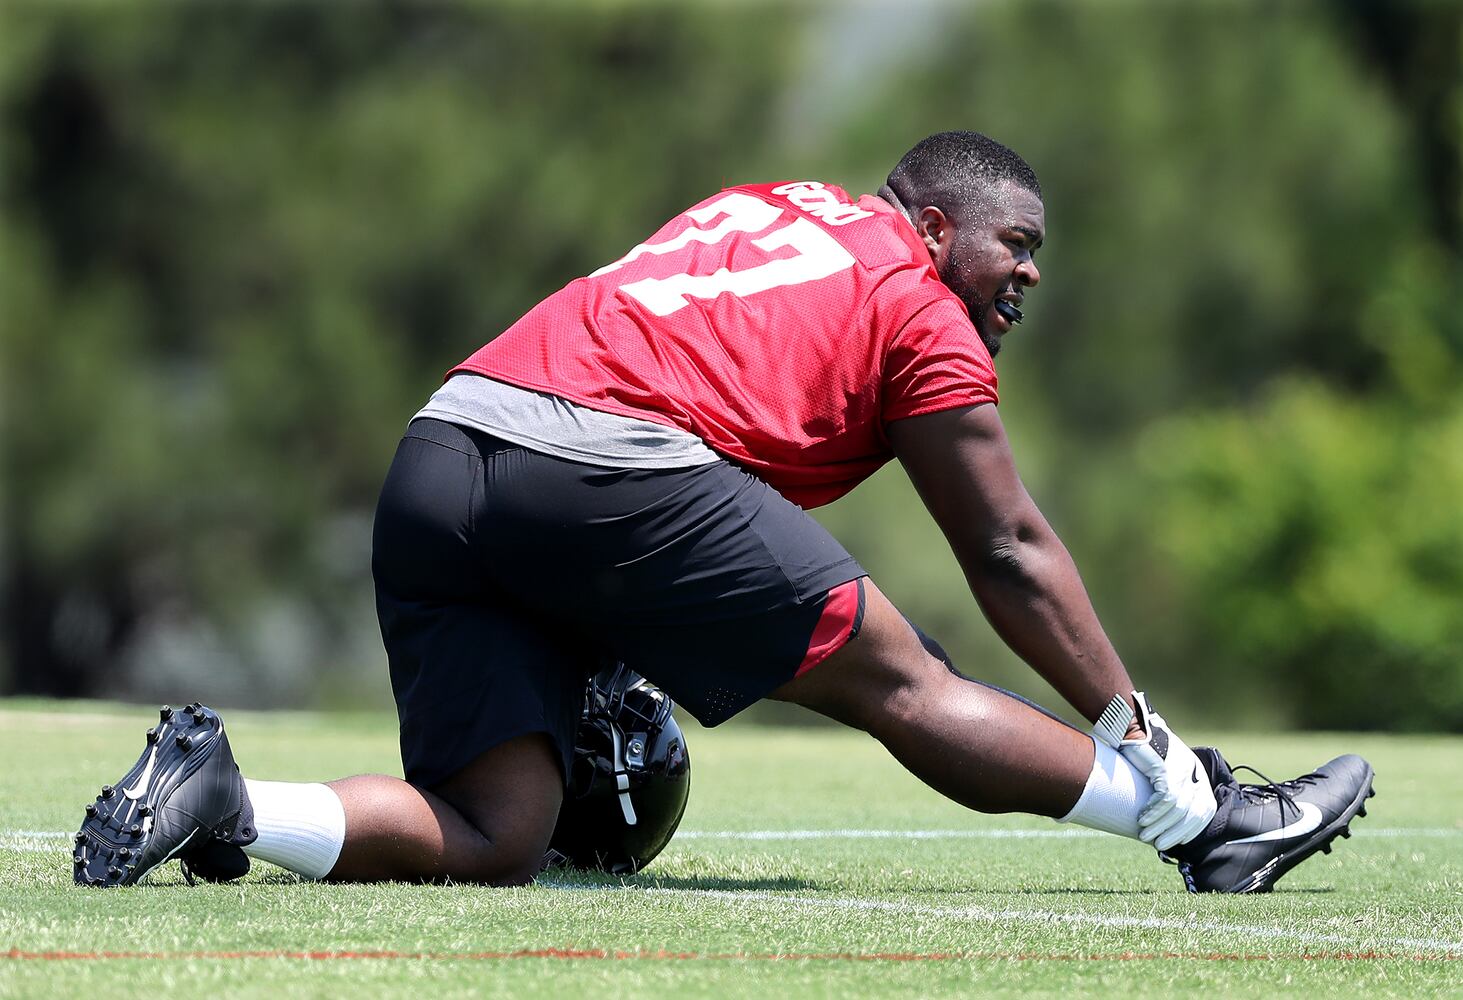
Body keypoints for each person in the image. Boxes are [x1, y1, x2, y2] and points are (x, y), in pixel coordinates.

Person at [75, 131, 1373, 894]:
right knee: (906, 680)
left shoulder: (767, 204)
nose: (1026, 273)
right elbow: (1009, 546)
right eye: (1013, 244)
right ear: (933, 223)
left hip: (444, 445)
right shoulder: (917, 302)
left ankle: (227, 801)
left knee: (498, 833)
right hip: (597, 459)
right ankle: (1205, 825)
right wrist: (1136, 727)